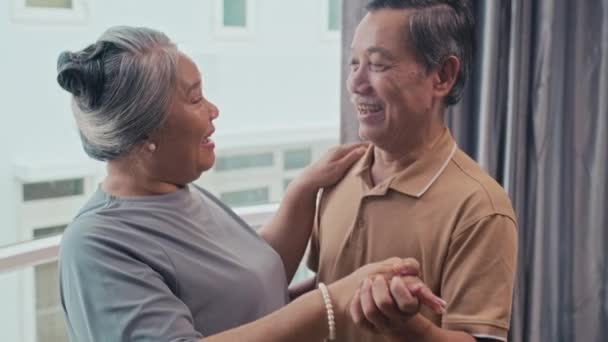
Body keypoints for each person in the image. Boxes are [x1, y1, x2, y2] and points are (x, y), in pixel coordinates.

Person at [56, 26, 445, 342]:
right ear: (144, 136)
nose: (213, 110)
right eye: (194, 100)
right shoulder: (96, 245)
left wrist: (304, 190)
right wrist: (331, 302)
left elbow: (250, 285)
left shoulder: (178, 191)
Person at [306, 1, 518, 342]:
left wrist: (404, 324)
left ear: (442, 76)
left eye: (377, 64)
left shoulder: (480, 207)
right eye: (354, 63)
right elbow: (324, 293)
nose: (356, 83)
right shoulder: (337, 176)